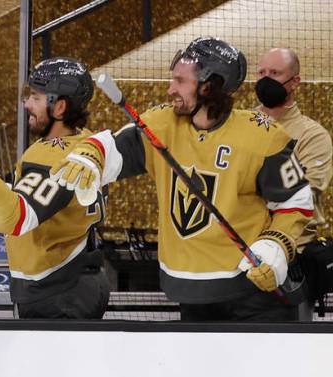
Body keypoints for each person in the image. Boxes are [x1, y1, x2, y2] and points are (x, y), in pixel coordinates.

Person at [33, 37, 315, 321]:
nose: (171, 90)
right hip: (191, 291)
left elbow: (296, 200)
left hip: (253, 292)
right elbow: (114, 147)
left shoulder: (262, 136)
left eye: (181, 81)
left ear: (209, 85)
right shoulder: (162, 124)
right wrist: (90, 155)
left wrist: (276, 244)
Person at [0, 57, 109, 319]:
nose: (27, 104)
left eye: (36, 97)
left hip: (57, 290)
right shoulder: (86, 143)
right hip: (76, 281)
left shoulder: (53, 156)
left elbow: (15, 216)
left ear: (59, 107)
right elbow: (27, 195)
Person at [255, 48, 333, 248]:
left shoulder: (312, 135)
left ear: (295, 82)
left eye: (275, 73)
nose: (266, 80)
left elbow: (307, 191)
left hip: (292, 247)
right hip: (243, 243)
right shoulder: (240, 124)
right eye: (261, 73)